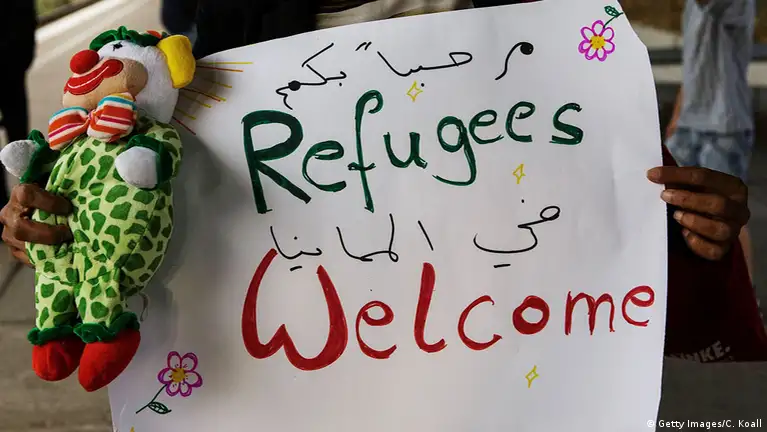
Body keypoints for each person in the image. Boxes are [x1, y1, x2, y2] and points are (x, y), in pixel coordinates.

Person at [3, 0, 765, 362]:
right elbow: (153, 224)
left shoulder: (536, 19)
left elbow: (612, 260)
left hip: (499, 379)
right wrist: (61, 228)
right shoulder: (218, 34)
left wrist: (692, 235)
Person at [666, 0, 756, 282]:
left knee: (727, 215)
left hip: (723, 126)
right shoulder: (691, 8)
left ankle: (747, 296)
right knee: (673, 209)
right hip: (688, 126)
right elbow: (691, 69)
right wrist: (676, 118)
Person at [0, 0, 36, 216]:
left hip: (11, 63)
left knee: (20, 142)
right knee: (20, 136)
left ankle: (31, 200)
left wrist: (22, 56)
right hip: (13, 61)